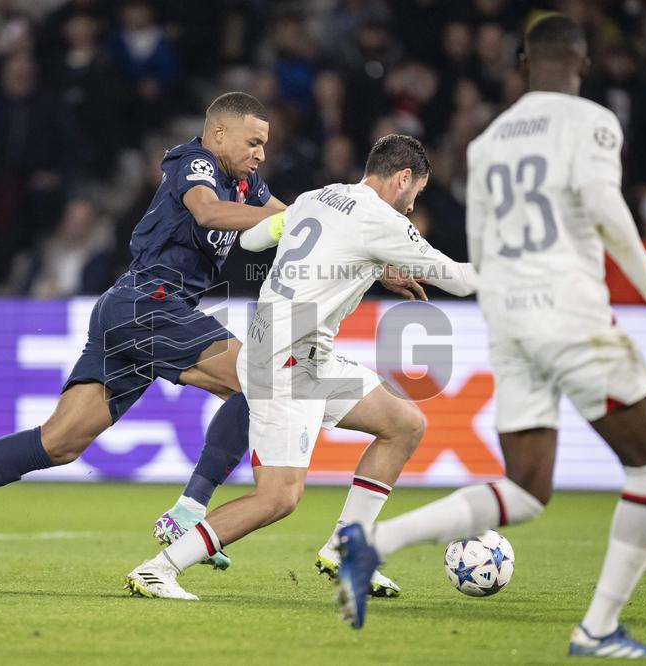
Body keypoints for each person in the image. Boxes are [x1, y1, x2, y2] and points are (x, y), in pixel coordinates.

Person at [336, 15, 646, 659]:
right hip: (572, 314)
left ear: (523, 64)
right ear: (582, 64)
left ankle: (373, 543)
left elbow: (486, 244)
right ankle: (598, 630)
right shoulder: (593, 120)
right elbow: (607, 209)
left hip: (511, 322)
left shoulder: (486, 141)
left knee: (526, 490)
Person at [0, 92, 287, 568]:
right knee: (261, 380)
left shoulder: (246, 185)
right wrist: (290, 217)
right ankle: (189, 510)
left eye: (264, 144)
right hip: (148, 303)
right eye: (253, 143)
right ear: (219, 134)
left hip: (132, 311)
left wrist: (348, 240)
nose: (261, 154)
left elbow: (298, 221)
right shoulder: (194, 161)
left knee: (59, 443)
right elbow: (209, 212)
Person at [124, 134, 477, 600]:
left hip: (300, 350)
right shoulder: (382, 220)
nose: (412, 205)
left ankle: (346, 549)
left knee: (404, 424)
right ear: (403, 178)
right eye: (416, 193)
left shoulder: (318, 197)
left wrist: (370, 264)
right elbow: (460, 280)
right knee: (278, 497)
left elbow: (253, 239)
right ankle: (159, 568)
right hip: (287, 360)